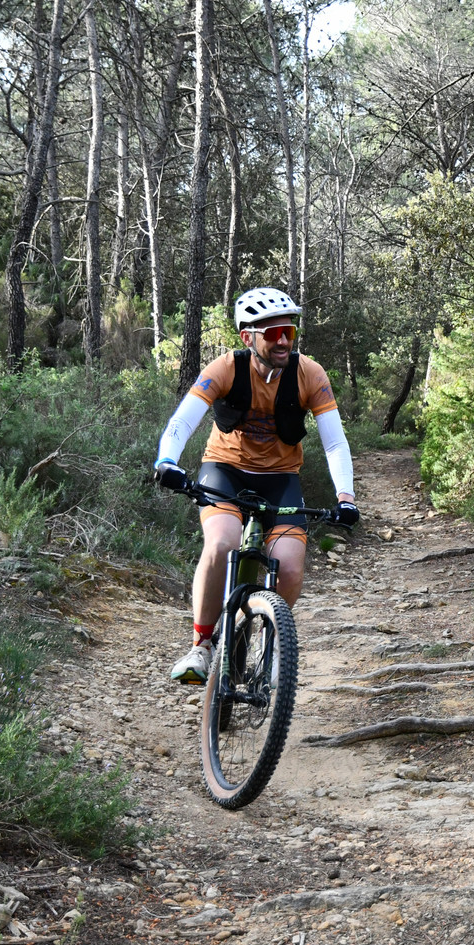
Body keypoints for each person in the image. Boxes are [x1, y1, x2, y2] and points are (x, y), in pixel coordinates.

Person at [153, 287, 359, 684]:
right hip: (225, 471)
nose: (283, 340)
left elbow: (334, 442)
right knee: (222, 544)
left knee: (291, 567)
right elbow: (182, 421)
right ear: (248, 337)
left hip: (281, 480)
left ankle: (268, 636)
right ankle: (201, 645)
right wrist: (167, 462)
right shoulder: (226, 368)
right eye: (273, 333)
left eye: (289, 332)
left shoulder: (310, 374)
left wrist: (345, 497)